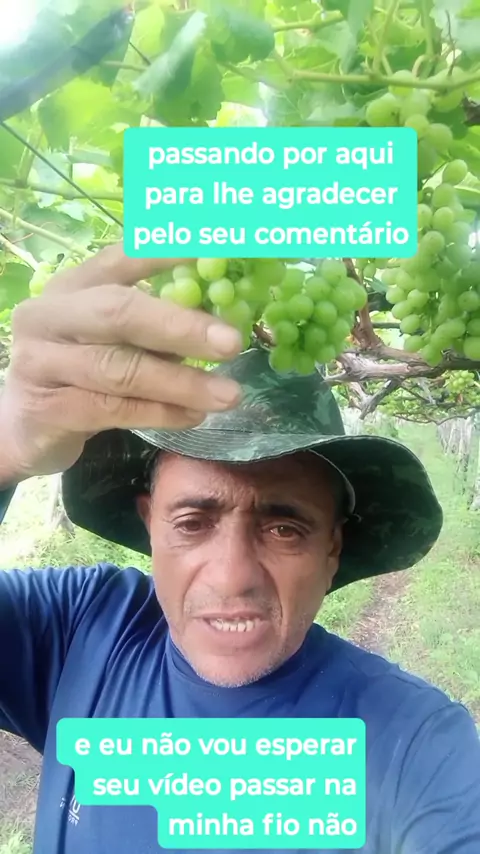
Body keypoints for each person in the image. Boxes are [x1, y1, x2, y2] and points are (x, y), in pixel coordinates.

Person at [0, 244, 479, 854]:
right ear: (150, 523)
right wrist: (7, 448)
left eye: (284, 529)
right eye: (192, 522)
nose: (231, 577)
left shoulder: (417, 744)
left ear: (333, 547)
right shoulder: (79, 629)